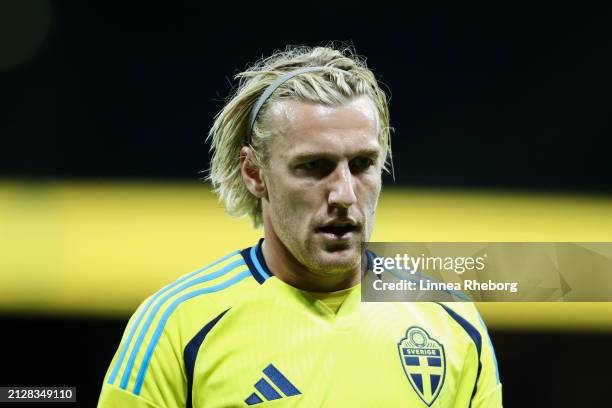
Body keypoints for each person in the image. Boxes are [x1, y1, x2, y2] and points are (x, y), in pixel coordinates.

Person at [98, 45, 502, 407]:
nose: (344, 193)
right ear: (255, 173)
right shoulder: (177, 325)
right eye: (314, 166)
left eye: (362, 164)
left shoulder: (451, 321)